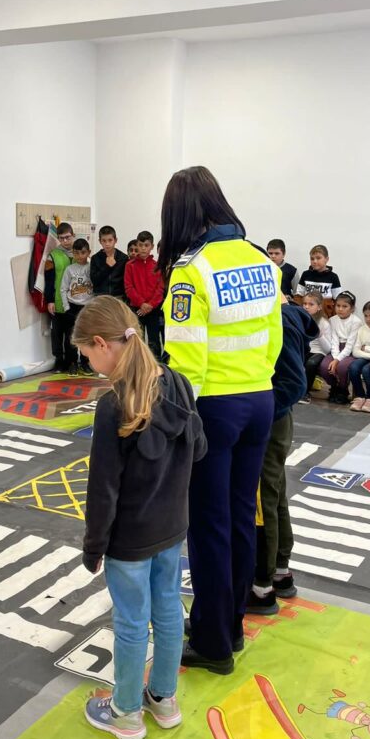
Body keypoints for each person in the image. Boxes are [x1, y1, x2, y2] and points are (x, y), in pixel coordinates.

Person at [161, 166, 282, 674]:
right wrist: (255, 379)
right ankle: (229, 625)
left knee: (209, 526)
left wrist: (176, 420)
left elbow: (186, 360)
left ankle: (212, 643)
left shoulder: (191, 270)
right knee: (240, 517)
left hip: (213, 408)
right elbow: (275, 338)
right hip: (260, 400)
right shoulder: (261, 259)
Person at [76, 296, 206, 739]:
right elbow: (199, 449)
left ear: (101, 344)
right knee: (168, 609)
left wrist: (94, 545)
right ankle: (163, 700)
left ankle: (126, 713)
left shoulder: (114, 405)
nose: (89, 363)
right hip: (172, 527)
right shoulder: (179, 383)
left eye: (87, 354)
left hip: (129, 539)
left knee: (132, 623)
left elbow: (103, 488)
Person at [247, 299, 316, 614]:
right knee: (274, 494)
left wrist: (259, 412)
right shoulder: (285, 315)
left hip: (269, 420)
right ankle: (279, 571)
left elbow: (294, 382)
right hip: (273, 417)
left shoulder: (281, 319)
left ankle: (262, 585)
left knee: (263, 499)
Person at [124, 230, 165, 358]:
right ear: (137, 245)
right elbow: (129, 288)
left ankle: (156, 364)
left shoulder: (157, 266)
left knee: (154, 340)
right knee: (137, 339)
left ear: (152, 246)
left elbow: (160, 289)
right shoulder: (130, 266)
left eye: (146, 245)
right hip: (137, 309)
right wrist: (142, 303)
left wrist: (150, 305)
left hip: (153, 310)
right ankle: (139, 364)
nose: (143, 248)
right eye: (140, 245)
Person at [319, 291, 362, 405]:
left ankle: (343, 390)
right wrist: (335, 358)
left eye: (344, 306)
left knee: (342, 367)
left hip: (350, 351)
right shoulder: (333, 320)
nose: (340, 309)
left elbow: (350, 345)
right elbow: (334, 340)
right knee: (324, 366)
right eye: (338, 306)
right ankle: (334, 387)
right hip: (336, 349)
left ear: (352, 308)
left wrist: (337, 360)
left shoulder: (356, 322)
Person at [44, 222, 75, 372]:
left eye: (68, 237)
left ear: (73, 235)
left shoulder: (80, 253)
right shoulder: (52, 256)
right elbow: (49, 280)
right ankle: (59, 360)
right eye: (61, 238)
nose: (65, 241)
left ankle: (71, 361)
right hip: (57, 301)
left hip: (75, 302)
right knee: (57, 333)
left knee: (72, 334)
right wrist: (50, 300)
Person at [60, 238, 94, 373]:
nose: (80, 256)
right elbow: (63, 289)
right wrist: (66, 307)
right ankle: (72, 363)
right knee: (71, 337)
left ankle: (85, 362)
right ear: (73, 253)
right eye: (76, 253)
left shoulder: (91, 268)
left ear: (89, 252)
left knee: (87, 336)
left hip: (87, 308)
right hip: (72, 307)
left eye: (83, 253)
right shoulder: (69, 269)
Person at [348, 301, 370, 412]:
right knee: (353, 367)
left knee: (367, 370)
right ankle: (360, 396)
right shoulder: (362, 329)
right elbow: (355, 351)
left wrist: (367, 348)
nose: (368, 319)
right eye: (366, 316)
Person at [295, 245, 342, 315]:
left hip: (326, 315)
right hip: (307, 314)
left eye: (318, 258)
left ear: (327, 259)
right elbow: (298, 296)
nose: (315, 261)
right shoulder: (305, 274)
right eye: (312, 259)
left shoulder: (333, 277)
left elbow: (338, 300)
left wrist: (333, 315)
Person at [300, 291, 330, 400]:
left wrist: (320, 335)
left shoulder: (324, 323)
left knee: (311, 363)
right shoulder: (301, 319)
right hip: (305, 349)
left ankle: (305, 393)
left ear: (319, 307)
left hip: (319, 351)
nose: (306, 307)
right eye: (305, 304)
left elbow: (327, 349)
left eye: (311, 304)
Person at [90, 225, 128, 298]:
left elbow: (126, 281)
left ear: (115, 240)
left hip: (118, 296)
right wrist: (107, 267)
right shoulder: (95, 258)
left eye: (110, 240)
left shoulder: (123, 258)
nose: (107, 244)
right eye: (104, 241)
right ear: (100, 241)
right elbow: (94, 281)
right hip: (100, 296)